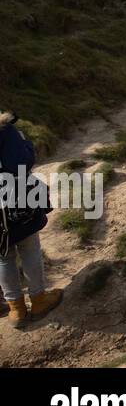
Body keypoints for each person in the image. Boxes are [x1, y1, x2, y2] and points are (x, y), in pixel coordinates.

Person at [0, 112, 62, 327]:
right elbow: (22, 162)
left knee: (3, 257)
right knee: (29, 248)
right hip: (16, 202)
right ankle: (38, 300)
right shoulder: (5, 130)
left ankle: (15, 309)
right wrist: (25, 143)